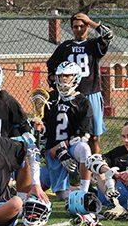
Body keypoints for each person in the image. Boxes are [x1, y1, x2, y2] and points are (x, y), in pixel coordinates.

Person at [46, 12, 113, 153]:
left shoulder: (93, 44)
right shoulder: (65, 47)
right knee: (72, 134)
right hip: (70, 96)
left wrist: (92, 22)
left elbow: (108, 35)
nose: (79, 29)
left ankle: (95, 167)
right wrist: (55, 82)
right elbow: (51, 66)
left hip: (91, 93)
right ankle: (76, 165)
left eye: (82, 26)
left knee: (93, 136)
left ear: (87, 26)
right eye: (75, 27)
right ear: (71, 28)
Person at [35, 62, 93, 199]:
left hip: (71, 147)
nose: (63, 80)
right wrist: (39, 129)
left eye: (66, 76)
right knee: (61, 195)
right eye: (60, 76)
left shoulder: (82, 102)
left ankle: (84, 192)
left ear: (76, 77)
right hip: (52, 153)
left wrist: (61, 147)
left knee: (85, 149)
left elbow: (84, 135)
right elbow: (44, 130)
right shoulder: (50, 98)